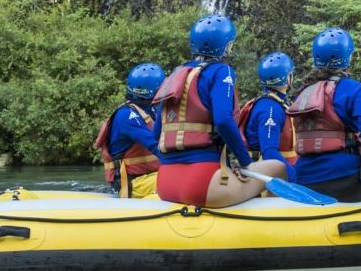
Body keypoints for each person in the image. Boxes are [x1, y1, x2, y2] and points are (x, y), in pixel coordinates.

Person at [152, 14, 287, 208]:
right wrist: (245, 162)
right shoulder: (221, 71)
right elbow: (223, 120)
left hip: (165, 183)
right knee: (278, 168)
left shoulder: (175, 75)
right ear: (227, 45)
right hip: (202, 182)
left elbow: (156, 133)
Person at [289, 27, 361, 202]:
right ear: (348, 57)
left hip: (303, 181)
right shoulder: (354, 89)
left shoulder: (303, 92)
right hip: (344, 180)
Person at [93, 63, 163, 198]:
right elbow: (155, 146)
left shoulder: (152, 110)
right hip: (130, 183)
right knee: (180, 181)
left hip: (149, 176)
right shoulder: (126, 116)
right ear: (155, 92)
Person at [238, 51, 298, 182]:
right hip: (269, 177)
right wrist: (295, 179)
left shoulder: (278, 103)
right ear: (288, 78)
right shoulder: (270, 108)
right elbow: (269, 152)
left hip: (281, 169)